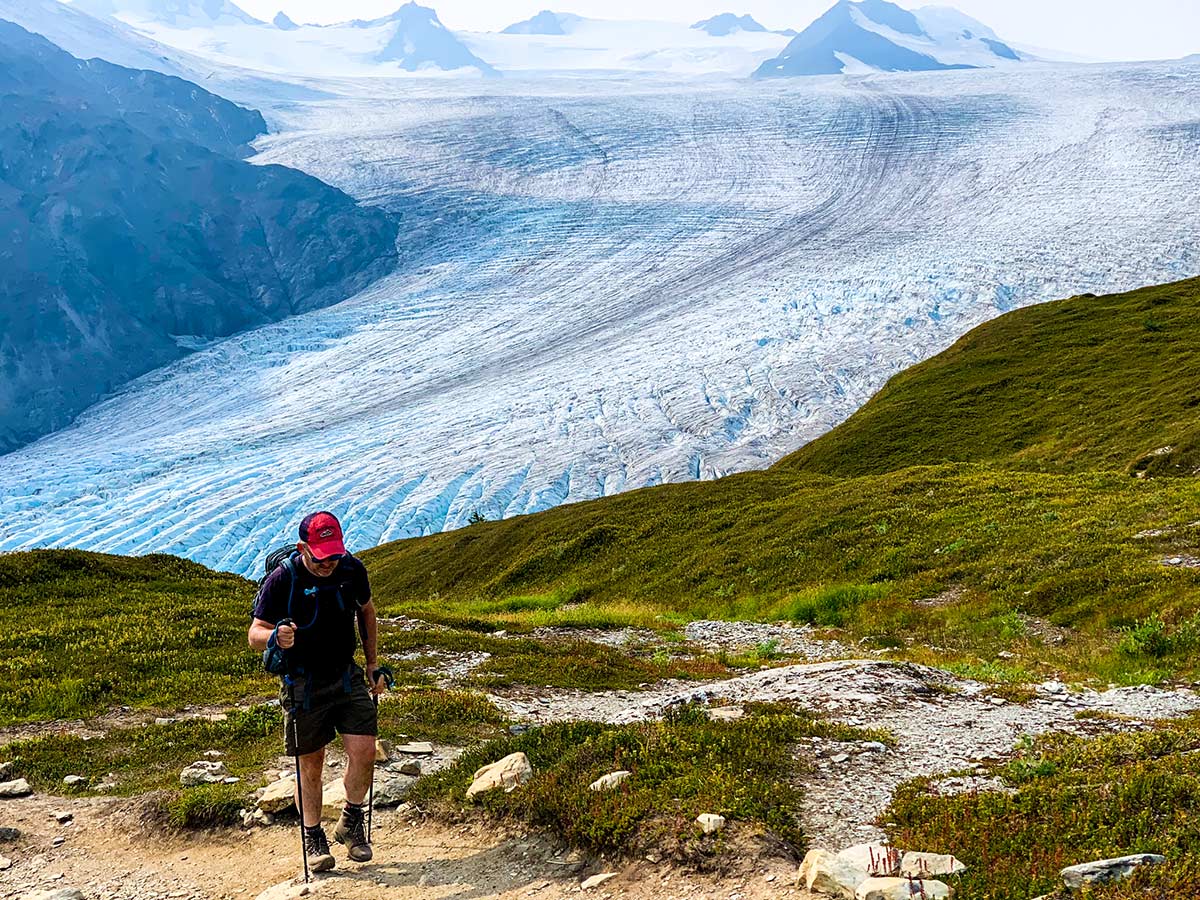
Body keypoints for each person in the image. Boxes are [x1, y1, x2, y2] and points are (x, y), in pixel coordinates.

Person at [248, 511, 387, 872]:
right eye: (322, 557)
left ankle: (351, 822)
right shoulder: (283, 579)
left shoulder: (351, 570)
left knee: (365, 751)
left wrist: (372, 664)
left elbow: (366, 610)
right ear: (303, 548)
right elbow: (254, 634)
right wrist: (275, 636)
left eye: (335, 555)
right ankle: (313, 837)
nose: (329, 563)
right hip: (303, 682)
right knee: (311, 765)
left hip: (346, 674)